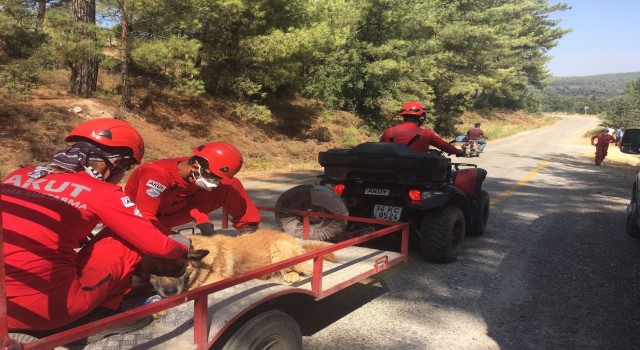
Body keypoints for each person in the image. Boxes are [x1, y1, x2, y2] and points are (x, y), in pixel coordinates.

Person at [1, 118, 190, 335]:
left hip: (4, 311)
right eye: (126, 167)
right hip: (46, 311)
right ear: (115, 163)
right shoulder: (104, 193)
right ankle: (100, 313)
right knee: (125, 239)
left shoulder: (18, 175)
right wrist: (182, 245)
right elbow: (159, 247)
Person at [124, 141, 260, 237]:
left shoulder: (194, 174)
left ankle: (248, 229)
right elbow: (145, 217)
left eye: (217, 179)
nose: (214, 183)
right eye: (212, 177)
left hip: (176, 210)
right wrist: (174, 238)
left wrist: (202, 220)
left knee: (230, 185)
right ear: (195, 168)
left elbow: (193, 201)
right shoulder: (155, 176)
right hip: (141, 219)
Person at [379, 101, 464, 156]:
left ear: (403, 116)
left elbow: (380, 149)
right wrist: (458, 151)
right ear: (422, 117)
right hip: (417, 174)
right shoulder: (426, 134)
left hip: (392, 173)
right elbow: (444, 146)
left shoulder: (389, 132)